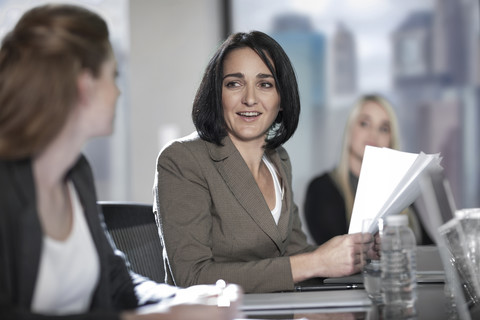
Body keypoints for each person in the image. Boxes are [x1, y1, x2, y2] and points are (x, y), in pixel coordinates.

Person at [0, 4, 240, 319]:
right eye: (113, 76)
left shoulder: (75, 174)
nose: (117, 91)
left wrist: (186, 299)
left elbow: (116, 282)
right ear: (84, 87)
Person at [153, 31, 373, 294]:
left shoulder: (278, 159)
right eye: (234, 83)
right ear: (216, 94)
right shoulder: (182, 160)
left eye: (265, 84)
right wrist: (315, 262)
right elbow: (193, 277)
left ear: (281, 99)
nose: (249, 98)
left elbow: (295, 252)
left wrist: (354, 252)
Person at [304, 94, 431, 246]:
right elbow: (337, 253)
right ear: (350, 129)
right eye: (364, 123)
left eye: (384, 128)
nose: (373, 134)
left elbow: (429, 248)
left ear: (391, 139)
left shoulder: (399, 191)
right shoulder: (322, 188)